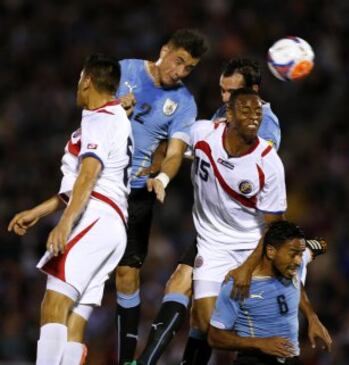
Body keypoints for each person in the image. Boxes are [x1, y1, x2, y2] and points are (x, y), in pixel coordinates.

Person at [133, 60, 323, 365]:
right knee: (185, 293)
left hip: (247, 231)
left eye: (231, 91)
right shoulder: (218, 120)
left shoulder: (264, 126)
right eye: (222, 90)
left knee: (203, 308)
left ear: (254, 92)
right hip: (214, 229)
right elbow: (189, 147)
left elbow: (247, 164)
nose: (224, 97)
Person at [7, 54, 132, 365]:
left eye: (79, 79)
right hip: (113, 223)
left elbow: (89, 174)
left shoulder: (101, 119)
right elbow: (77, 183)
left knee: (53, 305)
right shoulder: (112, 116)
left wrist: (64, 223)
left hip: (95, 216)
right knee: (75, 319)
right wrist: (39, 210)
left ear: (87, 80)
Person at [114, 29, 208, 365]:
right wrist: (113, 106)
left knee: (127, 274)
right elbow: (86, 102)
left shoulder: (184, 104)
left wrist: (164, 177)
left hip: (138, 192)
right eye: (179, 61)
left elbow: (175, 152)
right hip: (100, 183)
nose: (181, 71)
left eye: (189, 68)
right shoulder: (124, 71)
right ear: (164, 50)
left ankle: (126, 360)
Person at [208, 220, 332, 365]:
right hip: (254, 360)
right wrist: (260, 343)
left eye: (300, 255)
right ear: (271, 251)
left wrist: (312, 318)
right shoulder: (239, 285)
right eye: (293, 255)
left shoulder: (292, 264)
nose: (298, 261)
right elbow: (215, 337)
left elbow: (321, 244)